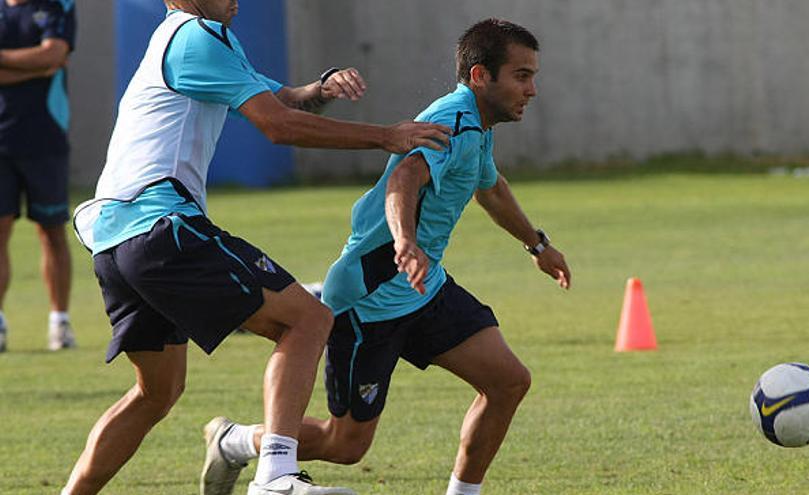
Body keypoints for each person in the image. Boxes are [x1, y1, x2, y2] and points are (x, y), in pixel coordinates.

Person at [62, 0, 449, 494]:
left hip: (113, 239)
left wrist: (322, 87)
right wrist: (386, 137)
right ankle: (275, 476)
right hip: (158, 224)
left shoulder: (184, 39)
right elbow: (277, 126)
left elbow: (285, 100)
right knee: (308, 318)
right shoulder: (199, 34)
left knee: (156, 392)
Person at [204, 18, 571, 495]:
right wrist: (404, 242)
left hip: (424, 288)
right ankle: (234, 442)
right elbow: (404, 180)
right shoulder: (452, 120)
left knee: (507, 382)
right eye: (522, 76)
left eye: (532, 75)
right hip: (369, 297)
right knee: (346, 445)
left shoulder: (478, 126)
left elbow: (492, 189)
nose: (533, 89)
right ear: (481, 77)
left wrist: (537, 245)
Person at [0, 0, 77, 352]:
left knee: (51, 231)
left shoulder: (57, 5)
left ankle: (59, 323)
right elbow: (43, 62)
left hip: (45, 137)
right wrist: (33, 64)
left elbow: (53, 56)